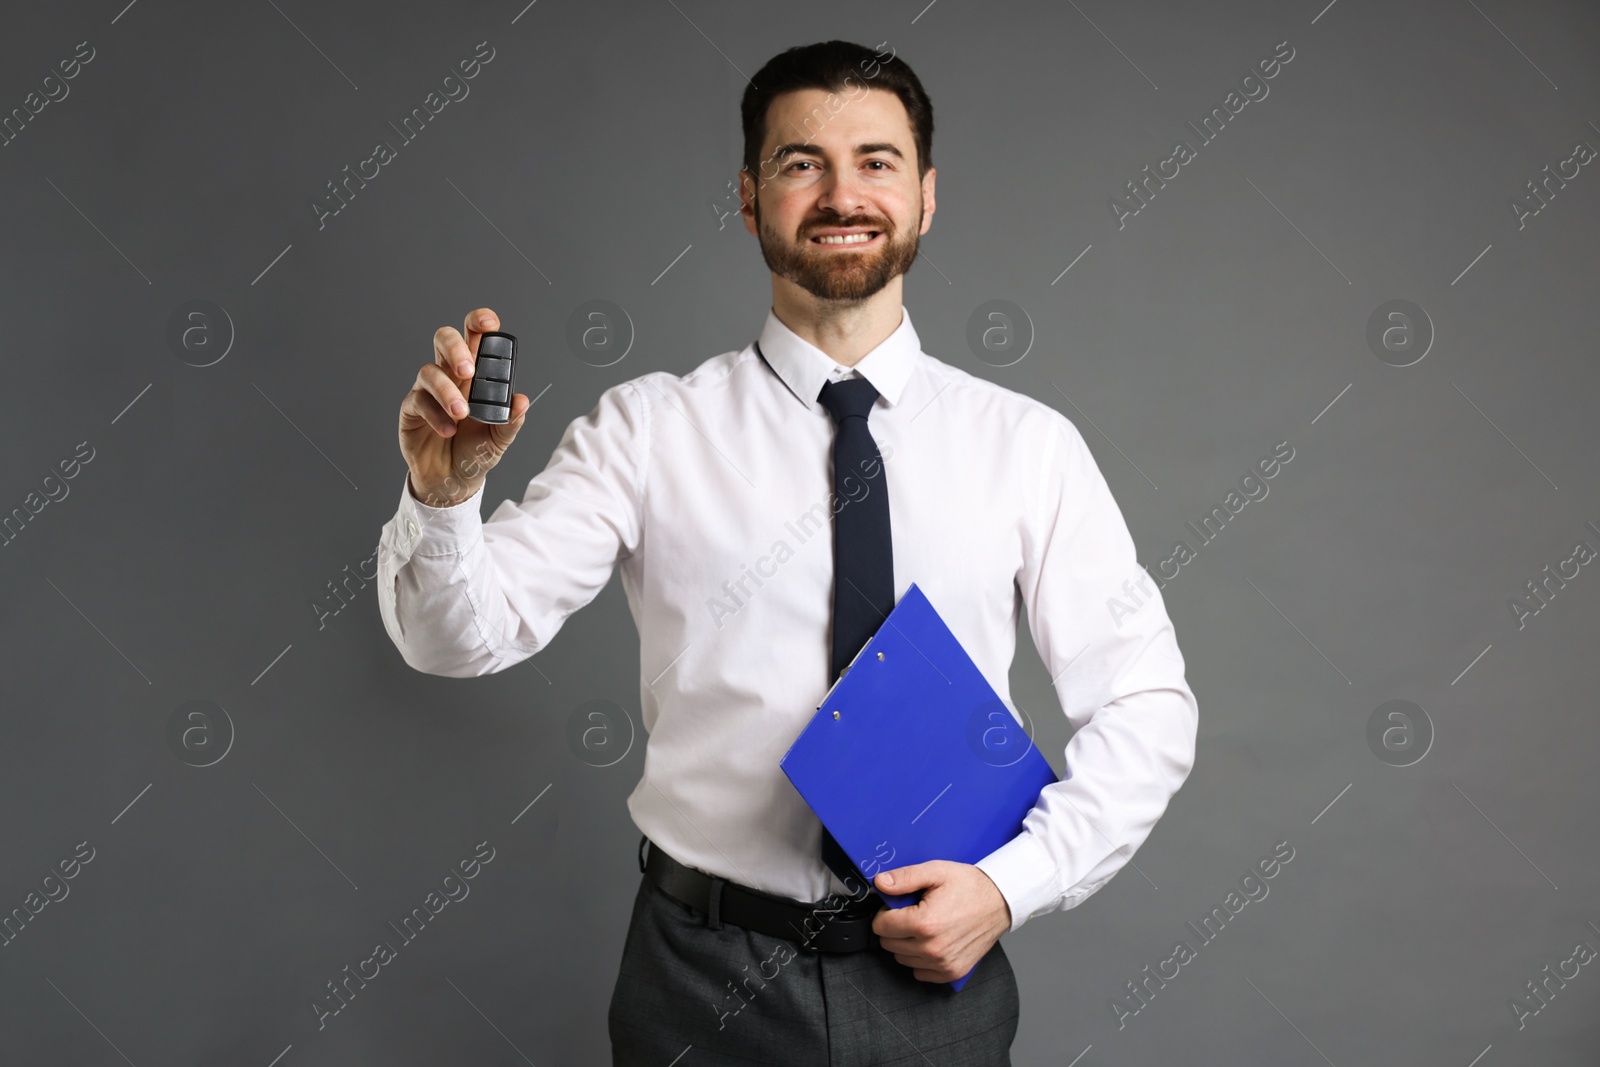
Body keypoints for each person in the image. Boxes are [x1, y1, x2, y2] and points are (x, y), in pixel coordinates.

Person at [378, 39, 1197, 1066]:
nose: (842, 192)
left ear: (927, 196)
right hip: (699, 977)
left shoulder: (1026, 445)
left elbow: (1146, 703)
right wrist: (445, 497)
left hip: (937, 979)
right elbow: (458, 640)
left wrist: (1009, 885)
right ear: (749, 197)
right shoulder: (647, 430)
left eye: (878, 160)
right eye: (802, 162)